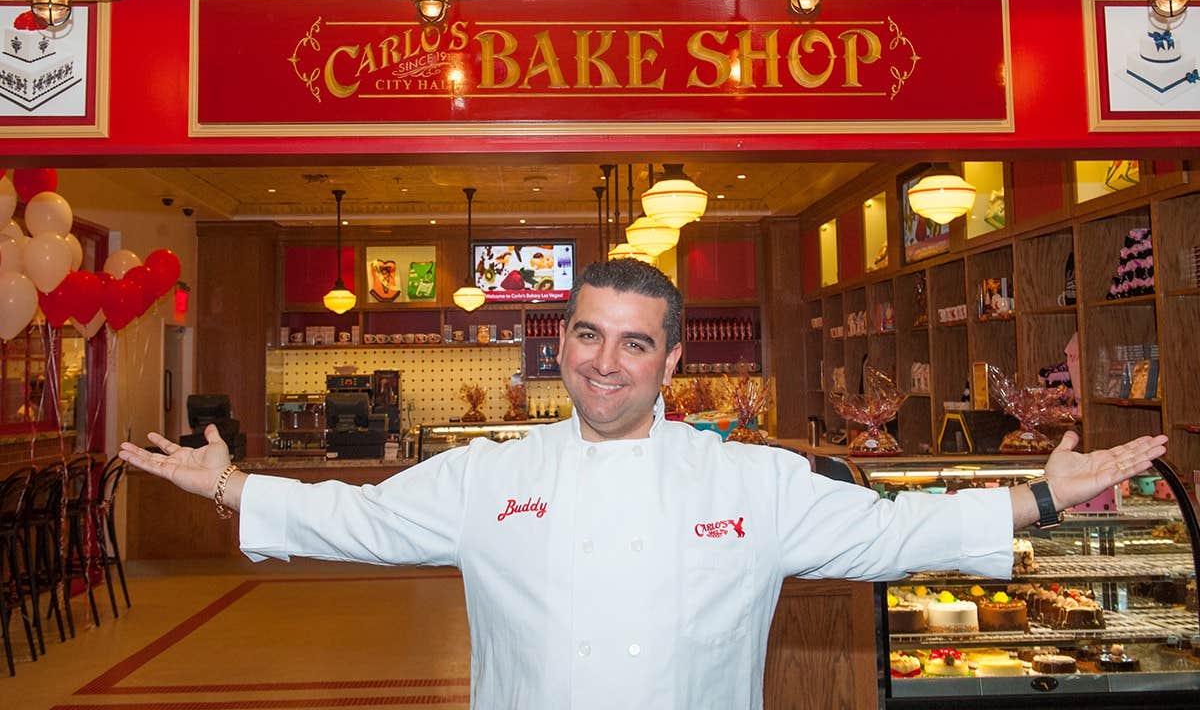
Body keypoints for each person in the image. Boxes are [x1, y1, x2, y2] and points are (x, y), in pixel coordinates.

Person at [121, 259, 1167, 710]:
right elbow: (358, 516)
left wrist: (1040, 492)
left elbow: (890, 531)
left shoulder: (751, 478)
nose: (606, 361)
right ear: (561, 346)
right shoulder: (493, 474)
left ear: (671, 362)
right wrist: (232, 484)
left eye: (634, 342)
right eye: (587, 335)